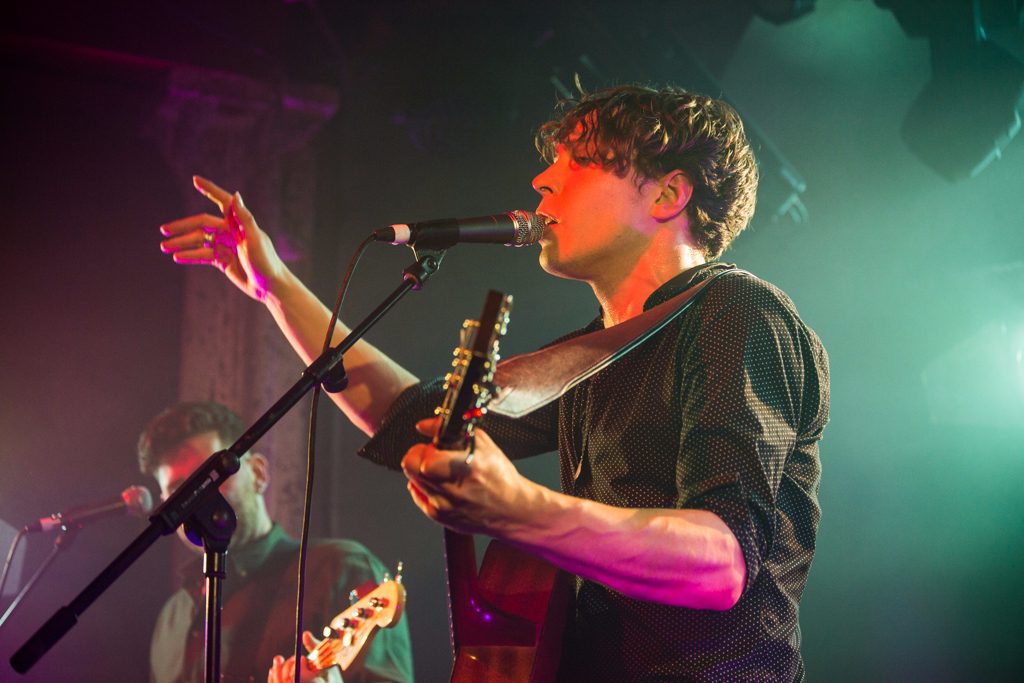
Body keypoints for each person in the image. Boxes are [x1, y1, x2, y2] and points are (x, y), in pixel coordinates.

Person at [158, 84, 829, 682]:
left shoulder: (737, 313)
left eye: (575, 165)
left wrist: (517, 507)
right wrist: (275, 286)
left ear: (666, 193)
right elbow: (410, 416)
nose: (540, 182)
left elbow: (721, 563)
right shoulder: (591, 352)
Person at [137, 401, 413, 683]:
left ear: (258, 473)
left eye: (210, 477)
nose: (194, 497)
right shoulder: (172, 617)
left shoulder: (339, 568)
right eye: (177, 490)